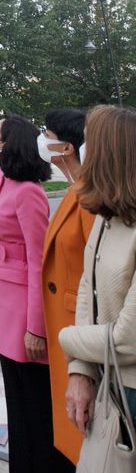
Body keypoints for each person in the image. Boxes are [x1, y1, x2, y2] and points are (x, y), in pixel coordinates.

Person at [0, 114, 65, 473]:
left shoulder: (29, 192)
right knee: (18, 411)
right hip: (3, 308)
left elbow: (39, 262)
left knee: (35, 415)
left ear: (9, 143)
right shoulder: (3, 179)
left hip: (24, 318)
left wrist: (38, 327)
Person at [60, 105, 136, 441]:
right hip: (108, 381)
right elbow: (85, 292)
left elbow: (126, 339)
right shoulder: (107, 217)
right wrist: (80, 369)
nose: (82, 150)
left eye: (89, 142)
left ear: (108, 155)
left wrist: (64, 340)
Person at [38, 108, 93, 473]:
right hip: (67, 331)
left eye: (48, 134)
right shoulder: (75, 187)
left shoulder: (91, 195)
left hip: (79, 335)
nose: (43, 141)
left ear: (67, 146)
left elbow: (99, 277)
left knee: (86, 443)